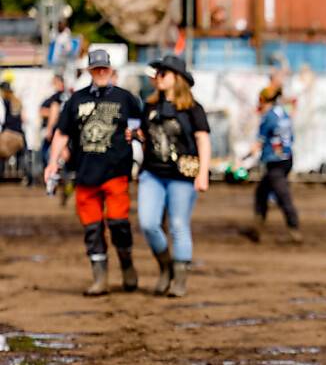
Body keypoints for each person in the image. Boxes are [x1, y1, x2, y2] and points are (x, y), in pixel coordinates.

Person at [44, 49, 142, 296]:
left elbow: (141, 128)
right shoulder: (76, 100)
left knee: (119, 223)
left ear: (111, 71)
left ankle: (127, 265)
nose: (100, 72)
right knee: (92, 228)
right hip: (86, 173)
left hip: (116, 171)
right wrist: (52, 162)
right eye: (96, 69)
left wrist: (140, 148)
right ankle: (100, 278)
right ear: (89, 71)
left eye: (104, 69)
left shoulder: (126, 99)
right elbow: (62, 133)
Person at [137, 55, 211, 298]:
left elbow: (203, 140)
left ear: (177, 79)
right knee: (148, 223)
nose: (157, 77)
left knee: (179, 225)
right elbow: (146, 136)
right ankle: (165, 266)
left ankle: (179, 279)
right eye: (157, 73)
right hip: (152, 173)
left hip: (182, 175)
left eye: (163, 74)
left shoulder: (192, 109)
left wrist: (203, 174)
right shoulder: (149, 106)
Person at [243, 86, 301, 243]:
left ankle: (294, 230)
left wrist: (242, 160)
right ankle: (257, 227)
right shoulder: (283, 113)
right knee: (261, 193)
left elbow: (259, 143)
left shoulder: (268, 117)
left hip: (275, 162)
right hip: (287, 158)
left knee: (283, 196)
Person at [0, 81, 25, 162]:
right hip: (19, 137)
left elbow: (2, 119)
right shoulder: (17, 101)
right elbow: (23, 119)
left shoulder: (3, 102)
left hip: (7, 136)